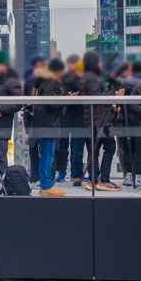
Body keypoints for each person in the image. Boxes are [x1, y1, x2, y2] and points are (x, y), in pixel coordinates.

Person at [81, 52, 120, 190]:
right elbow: (95, 97)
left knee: (94, 150)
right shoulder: (92, 77)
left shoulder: (88, 76)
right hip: (99, 120)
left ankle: (94, 180)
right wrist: (113, 94)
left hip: (94, 119)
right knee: (109, 147)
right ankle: (103, 179)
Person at [32, 58, 67, 196]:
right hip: (48, 123)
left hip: (45, 123)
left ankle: (45, 185)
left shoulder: (45, 81)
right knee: (47, 155)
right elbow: (52, 103)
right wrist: (64, 99)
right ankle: (46, 186)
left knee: (46, 154)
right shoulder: (50, 82)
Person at [55, 53, 84, 185]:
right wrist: (67, 95)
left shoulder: (83, 77)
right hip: (65, 115)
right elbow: (58, 92)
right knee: (63, 147)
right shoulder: (62, 77)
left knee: (77, 148)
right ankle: (61, 172)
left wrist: (78, 94)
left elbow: (87, 92)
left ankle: (76, 175)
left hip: (79, 115)